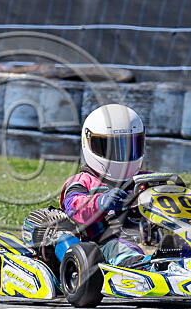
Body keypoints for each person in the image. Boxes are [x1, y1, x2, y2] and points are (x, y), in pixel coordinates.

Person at [59, 103, 147, 267]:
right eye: (112, 148)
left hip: (147, 237)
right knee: (124, 249)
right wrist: (100, 202)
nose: (123, 155)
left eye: (130, 147)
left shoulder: (145, 180)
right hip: (105, 243)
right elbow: (73, 208)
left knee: (181, 244)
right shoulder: (82, 181)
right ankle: (139, 268)